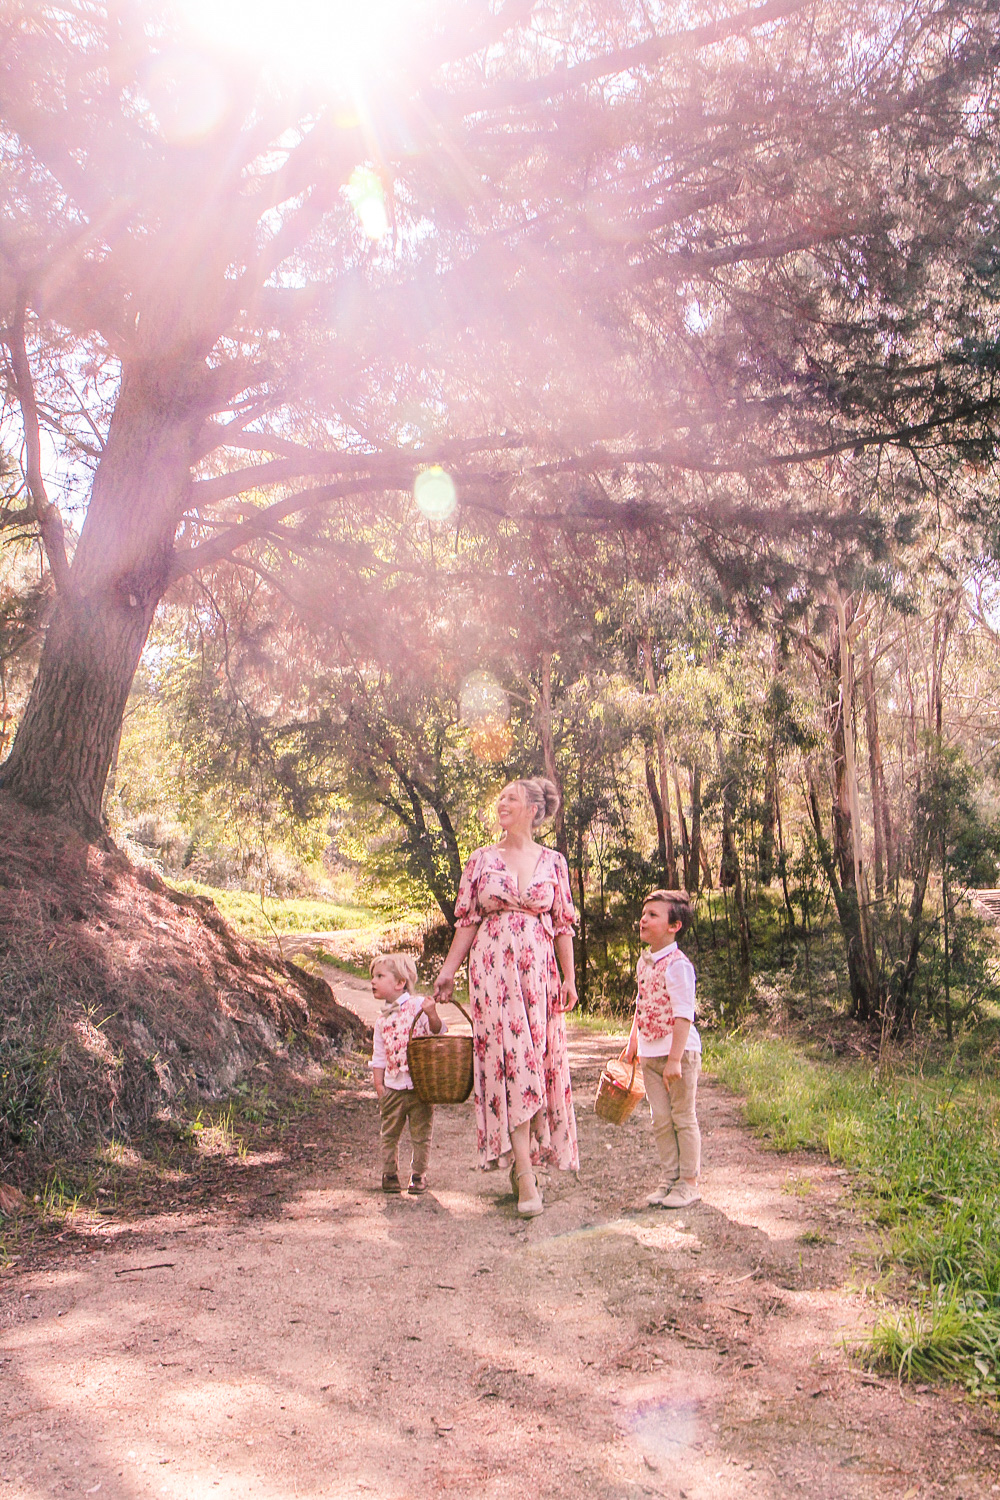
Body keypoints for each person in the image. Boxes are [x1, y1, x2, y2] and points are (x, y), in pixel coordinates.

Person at [433, 776, 579, 1218]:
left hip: (539, 977)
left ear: (532, 809)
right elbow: (467, 921)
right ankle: (524, 1175)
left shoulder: (554, 862)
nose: (502, 803)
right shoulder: (481, 860)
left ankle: (528, 1152)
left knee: (536, 1062)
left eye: (511, 798)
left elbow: (562, 925)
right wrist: (446, 972)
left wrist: (569, 978)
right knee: (512, 1064)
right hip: (493, 974)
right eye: (499, 797)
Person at [624, 889, 702, 1209]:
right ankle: (669, 1179)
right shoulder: (646, 963)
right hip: (650, 1053)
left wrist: (674, 1060)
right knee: (661, 1120)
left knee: (683, 1116)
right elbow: (642, 1004)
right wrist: (633, 1043)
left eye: (653, 915)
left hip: (677, 1054)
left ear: (675, 926)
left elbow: (684, 1014)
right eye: (644, 914)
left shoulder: (678, 965)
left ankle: (689, 1182)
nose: (643, 919)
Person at [370, 952, 445, 1196]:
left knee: (421, 1134)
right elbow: (379, 1054)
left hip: (419, 1086)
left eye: (380, 976)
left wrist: (432, 1013)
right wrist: (379, 1084)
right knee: (389, 1132)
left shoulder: (416, 1006)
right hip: (392, 1087)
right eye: (373, 976)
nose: (373, 981)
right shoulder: (382, 1020)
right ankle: (390, 1173)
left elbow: (436, 1032)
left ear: (400, 982)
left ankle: (419, 1174)